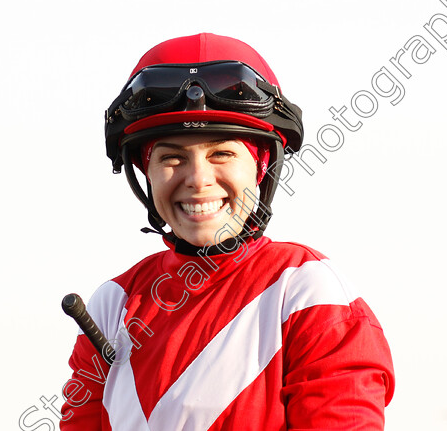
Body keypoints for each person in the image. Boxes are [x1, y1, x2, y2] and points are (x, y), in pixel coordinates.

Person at [59, 33, 395, 430]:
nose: (198, 179)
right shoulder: (111, 305)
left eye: (222, 153)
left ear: (262, 165)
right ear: (144, 172)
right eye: (171, 157)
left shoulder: (307, 292)